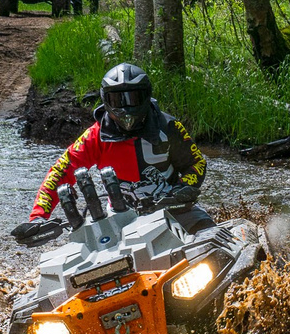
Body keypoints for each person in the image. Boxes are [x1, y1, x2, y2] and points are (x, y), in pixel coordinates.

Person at [27, 62, 204, 222]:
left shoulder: (169, 127)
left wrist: (182, 189)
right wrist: (38, 217)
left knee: (210, 236)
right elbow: (60, 171)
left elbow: (197, 163)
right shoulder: (95, 136)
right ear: (106, 100)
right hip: (120, 218)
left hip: (173, 210)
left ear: (146, 96)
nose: (126, 108)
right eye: (118, 100)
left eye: (133, 98)